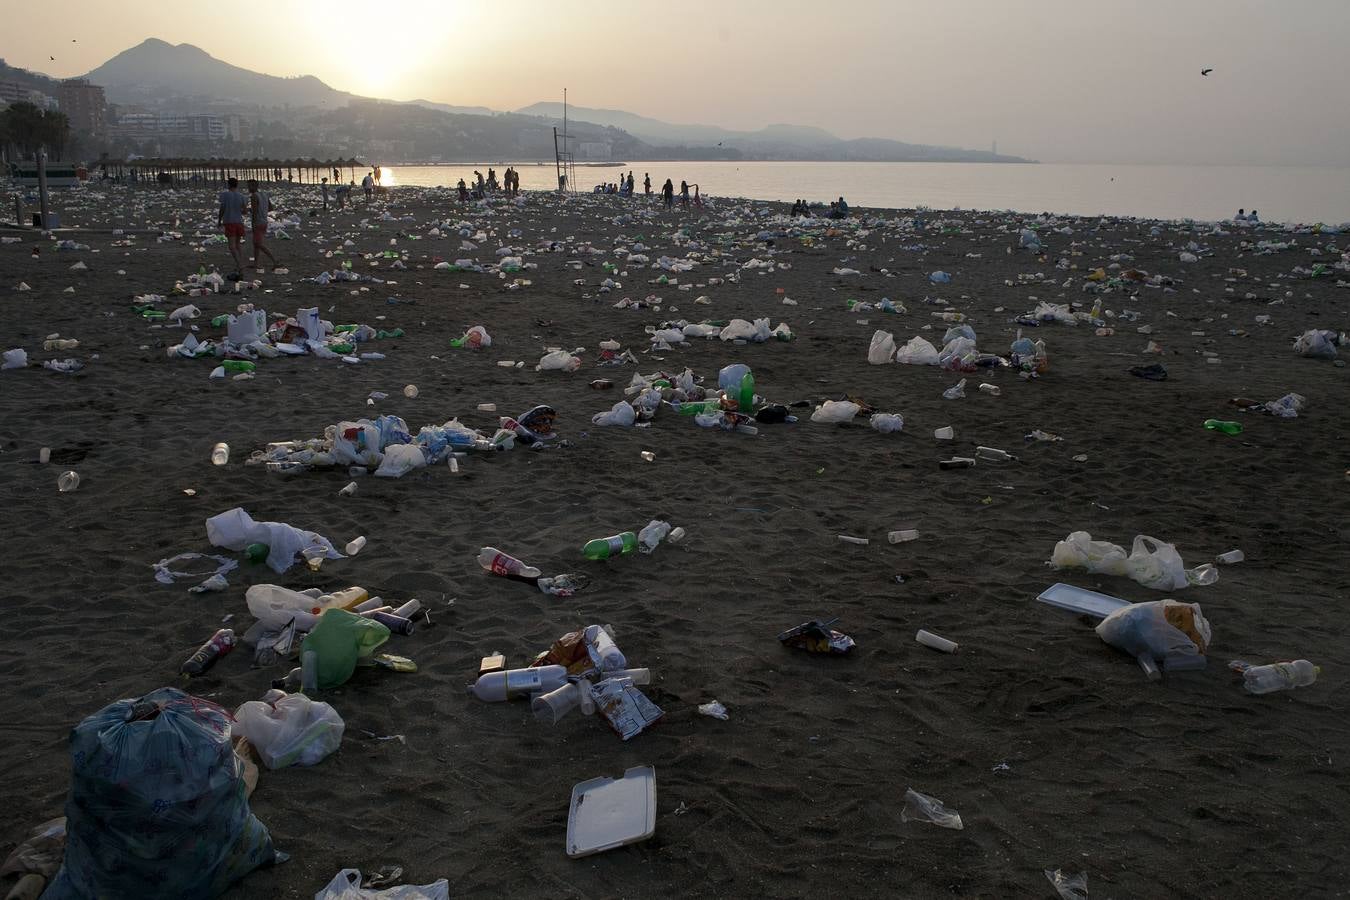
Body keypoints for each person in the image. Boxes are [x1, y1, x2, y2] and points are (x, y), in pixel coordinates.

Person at [217, 177, 247, 277]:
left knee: (232, 246)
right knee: (237, 244)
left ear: (229, 185)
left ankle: (240, 265)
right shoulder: (241, 196)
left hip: (229, 221)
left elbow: (222, 208)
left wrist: (219, 220)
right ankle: (240, 263)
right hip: (239, 222)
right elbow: (244, 211)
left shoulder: (225, 194)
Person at [246, 179, 278, 271]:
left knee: (258, 244)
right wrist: (262, 211)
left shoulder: (254, 196)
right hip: (264, 221)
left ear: (254, 186)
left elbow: (255, 212)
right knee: (256, 244)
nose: (248, 188)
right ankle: (256, 263)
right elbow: (270, 208)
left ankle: (274, 261)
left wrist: (253, 224)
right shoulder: (264, 195)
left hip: (258, 222)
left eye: (249, 186)